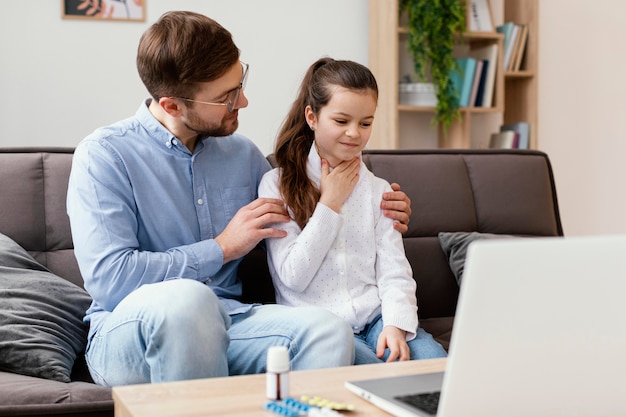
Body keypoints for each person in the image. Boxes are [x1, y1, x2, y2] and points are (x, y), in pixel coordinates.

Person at [66, 11, 413, 386]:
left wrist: (377, 205)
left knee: (327, 330)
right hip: (131, 333)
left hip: (232, 322)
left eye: (240, 83)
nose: (244, 101)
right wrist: (220, 248)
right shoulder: (104, 156)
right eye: (227, 97)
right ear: (172, 106)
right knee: (187, 301)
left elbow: (303, 215)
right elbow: (110, 280)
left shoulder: (243, 157)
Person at [258, 58, 447, 364]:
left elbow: (394, 271)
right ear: (312, 116)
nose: (354, 134)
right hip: (321, 329)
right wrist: (329, 204)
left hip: (377, 319)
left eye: (365, 123)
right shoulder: (276, 185)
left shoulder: (379, 190)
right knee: (372, 374)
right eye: (341, 121)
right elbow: (293, 276)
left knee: (435, 365)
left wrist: (395, 326)